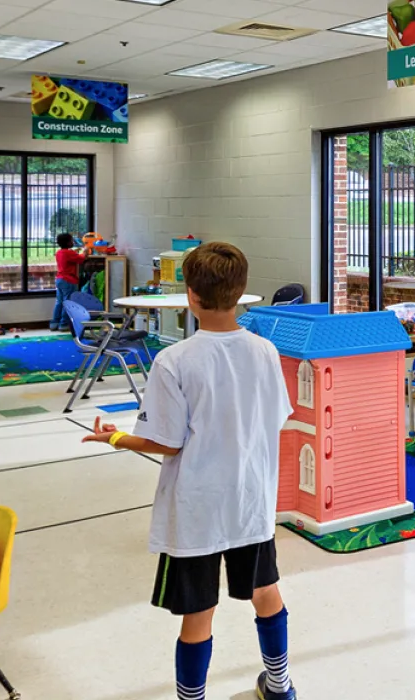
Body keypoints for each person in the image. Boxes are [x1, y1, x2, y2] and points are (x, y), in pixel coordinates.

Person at [80, 242, 298, 700]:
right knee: (266, 591)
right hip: (251, 500)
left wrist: (116, 437)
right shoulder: (265, 351)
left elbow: (166, 441)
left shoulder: (175, 360)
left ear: (190, 297)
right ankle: (280, 686)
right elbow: (277, 417)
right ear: (241, 294)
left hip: (198, 507)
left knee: (198, 613)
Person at [53, 233, 86, 333]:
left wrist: (75, 252)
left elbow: (70, 257)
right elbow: (80, 259)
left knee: (59, 302)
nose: (73, 242)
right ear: (68, 242)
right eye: (71, 240)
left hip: (59, 279)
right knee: (68, 303)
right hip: (69, 280)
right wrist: (85, 251)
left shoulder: (59, 252)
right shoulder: (69, 253)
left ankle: (54, 323)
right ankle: (63, 324)